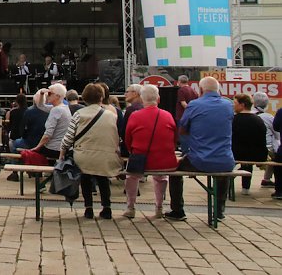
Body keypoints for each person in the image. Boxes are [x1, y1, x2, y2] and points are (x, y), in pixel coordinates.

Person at [165, 77, 235, 222]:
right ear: (218, 89)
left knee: (174, 171)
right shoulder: (228, 105)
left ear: (201, 90)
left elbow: (183, 129)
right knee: (224, 171)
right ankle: (220, 210)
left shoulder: (194, 105)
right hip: (225, 159)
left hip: (199, 160)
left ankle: (178, 210)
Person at [59, 82, 122, 219]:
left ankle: (88, 208)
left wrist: (62, 152)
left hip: (83, 156)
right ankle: (107, 207)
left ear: (85, 98)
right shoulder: (111, 115)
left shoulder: (78, 114)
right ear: (101, 98)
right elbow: (116, 137)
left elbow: (69, 137)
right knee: (103, 180)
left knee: (85, 179)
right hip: (105, 156)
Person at [123, 85, 178, 219]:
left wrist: (132, 152)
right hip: (166, 162)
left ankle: (131, 207)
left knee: (131, 176)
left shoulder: (135, 116)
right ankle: (159, 207)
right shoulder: (168, 115)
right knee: (161, 177)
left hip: (141, 162)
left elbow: (127, 139)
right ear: (158, 99)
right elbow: (175, 139)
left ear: (141, 99)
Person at [231, 93, 267, 195]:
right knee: (247, 159)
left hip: (237, 154)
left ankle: (226, 182)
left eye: (235, 103)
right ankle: (245, 188)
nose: (233, 105)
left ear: (242, 105)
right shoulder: (258, 120)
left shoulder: (234, 120)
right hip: (258, 155)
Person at [31, 83, 72, 160]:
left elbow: (48, 134)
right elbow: (41, 106)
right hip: (62, 148)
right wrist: (42, 94)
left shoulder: (56, 110)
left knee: (30, 153)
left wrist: (37, 147)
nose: (47, 95)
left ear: (57, 96)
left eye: (50, 93)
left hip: (54, 149)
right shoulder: (63, 107)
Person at [253, 92, 279, 188]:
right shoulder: (269, 117)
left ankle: (266, 180)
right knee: (276, 154)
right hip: (265, 151)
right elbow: (277, 135)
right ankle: (267, 179)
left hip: (246, 150)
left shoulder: (245, 116)